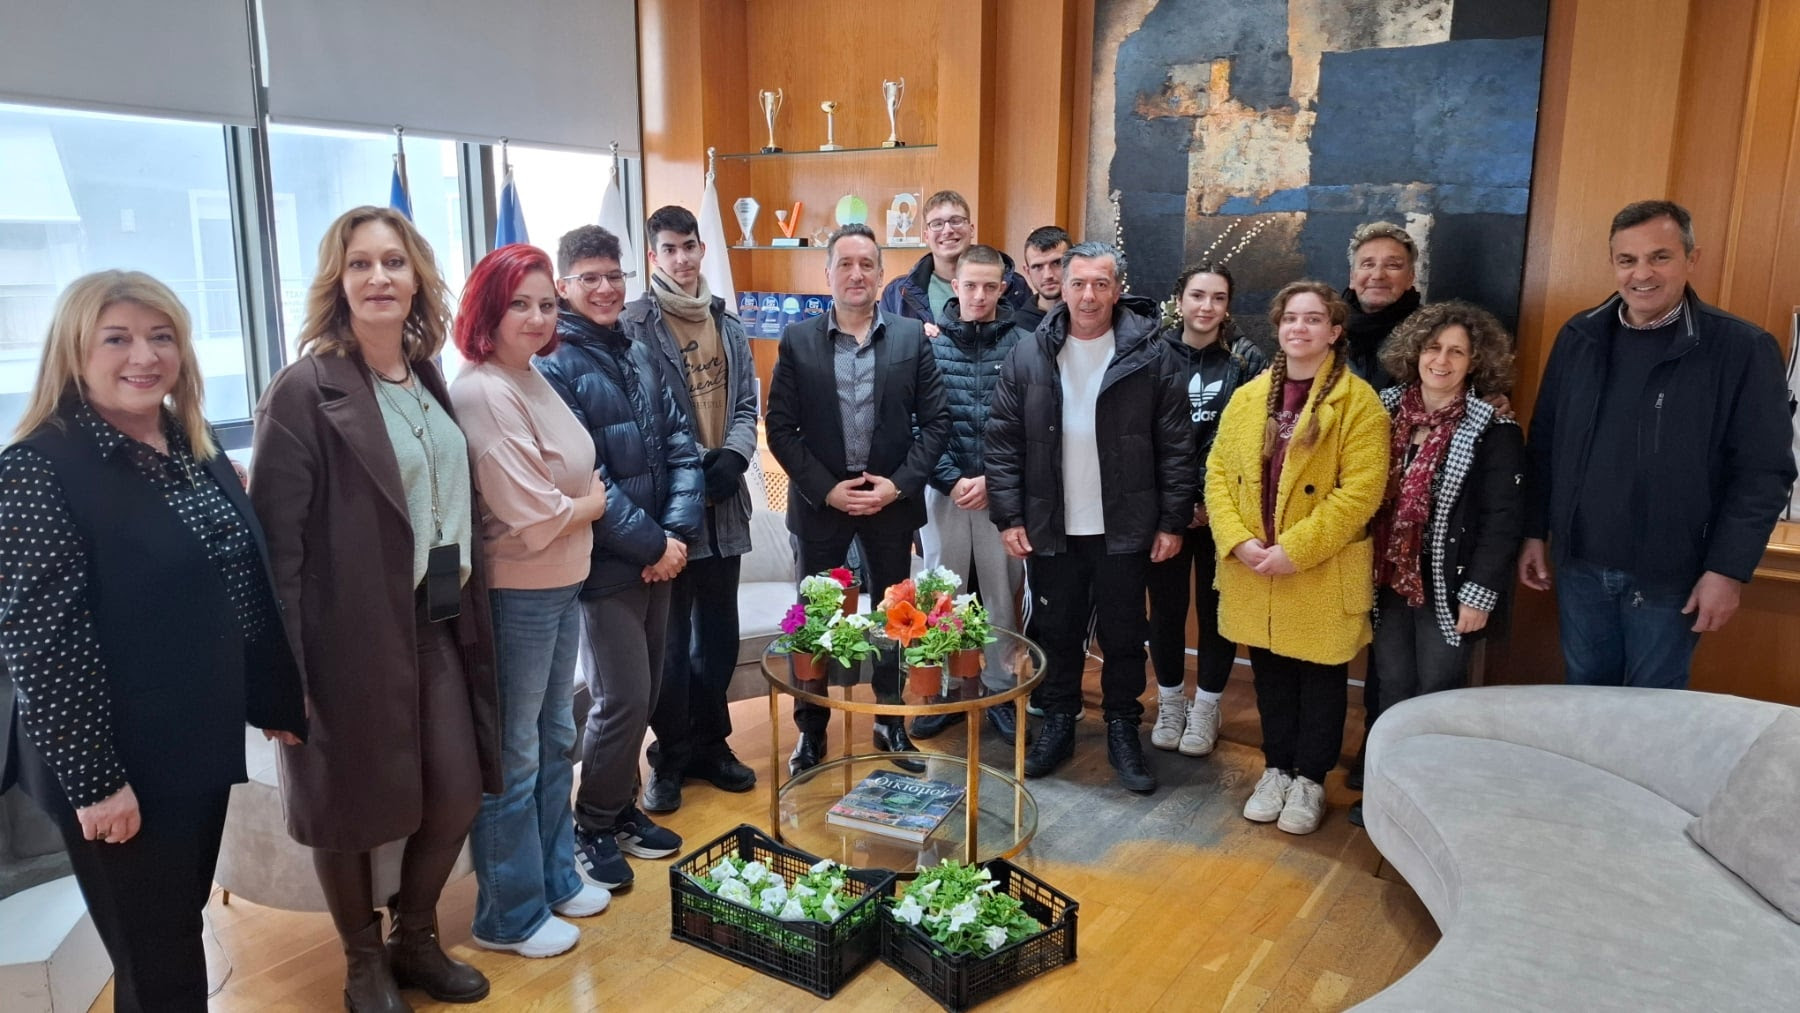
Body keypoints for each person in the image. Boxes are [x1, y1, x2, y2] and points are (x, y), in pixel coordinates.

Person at [0, 271, 306, 1012]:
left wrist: (273, 696)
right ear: (74, 351)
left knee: (175, 928)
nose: (144, 355)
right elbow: (42, 645)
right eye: (117, 338)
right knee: (157, 959)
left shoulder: (189, 441)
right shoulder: (37, 468)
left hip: (192, 744)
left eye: (160, 336)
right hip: (115, 758)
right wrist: (96, 783)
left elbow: (241, 582)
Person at [252, 206, 499, 1010]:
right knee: (348, 806)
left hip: (438, 623)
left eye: (393, 261)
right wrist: (282, 677)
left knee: (457, 791)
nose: (378, 277)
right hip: (346, 639)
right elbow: (276, 550)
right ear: (338, 281)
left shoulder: (426, 374)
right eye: (359, 263)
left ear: (417, 277)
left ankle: (414, 938)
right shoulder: (302, 390)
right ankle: (362, 960)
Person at [1519, 200, 1795, 688]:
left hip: (1673, 578)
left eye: (1660, 257)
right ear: (1613, 264)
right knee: (1584, 701)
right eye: (1627, 260)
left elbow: (1764, 474)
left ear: (1692, 258)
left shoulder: (1741, 348)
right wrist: (1534, 531)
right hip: (1580, 567)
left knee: (1655, 714)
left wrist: (1727, 570)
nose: (1642, 273)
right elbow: (1545, 444)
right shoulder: (1580, 336)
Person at [448, 244, 612, 959]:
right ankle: (507, 914)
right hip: (518, 593)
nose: (538, 317)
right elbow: (535, 513)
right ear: (488, 309)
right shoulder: (484, 390)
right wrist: (591, 505)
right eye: (520, 303)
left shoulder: (532, 374)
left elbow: (563, 485)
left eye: (547, 303)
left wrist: (578, 503)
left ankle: (553, 877)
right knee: (514, 754)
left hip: (562, 582)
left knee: (553, 738)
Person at [986, 241, 1194, 794]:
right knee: (1057, 632)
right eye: (1078, 283)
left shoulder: (1153, 356)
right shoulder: (1028, 354)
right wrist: (1009, 516)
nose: (1088, 295)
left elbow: (1176, 447)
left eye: (1101, 284)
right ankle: (1058, 721)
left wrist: (1172, 522)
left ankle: (1123, 727)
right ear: (1061, 287)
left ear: (1117, 290)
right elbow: (1003, 443)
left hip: (1125, 528)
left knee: (1124, 636)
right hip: (1051, 527)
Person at [536, 225, 701, 890]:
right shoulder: (552, 365)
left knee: (648, 690)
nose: (606, 288)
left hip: (661, 555)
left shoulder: (636, 350)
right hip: (603, 568)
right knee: (621, 699)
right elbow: (586, 478)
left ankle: (622, 808)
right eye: (590, 278)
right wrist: (654, 544)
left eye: (614, 275)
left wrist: (675, 536)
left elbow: (682, 443)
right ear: (564, 286)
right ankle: (593, 826)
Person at [766, 223, 951, 775]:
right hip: (821, 503)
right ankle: (811, 730)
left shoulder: (910, 337)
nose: (856, 274)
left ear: (880, 274)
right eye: (845, 264)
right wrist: (827, 489)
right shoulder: (798, 340)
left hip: (890, 502)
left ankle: (890, 722)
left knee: (896, 618)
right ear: (827, 274)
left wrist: (898, 485)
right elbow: (781, 429)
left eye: (866, 264)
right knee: (816, 621)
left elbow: (936, 423)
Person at [1206, 280, 1388, 835]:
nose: (1299, 328)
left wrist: (1297, 550)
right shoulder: (1248, 397)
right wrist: (1237, 539)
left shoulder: (1358, 402)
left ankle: (1310, 778)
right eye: (1290, 318)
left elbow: (1361, 492)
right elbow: (1217, 473)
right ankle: (1276, 768)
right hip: (1256, 565)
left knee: (1321, 679)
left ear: (1334, 331)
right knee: (1271, 676)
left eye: (1312, 319)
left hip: (1318, 568)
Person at [1349, 302, 1524, 827]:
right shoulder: (1382, 411)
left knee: (1436, 693)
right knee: (1391, 686)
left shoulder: (1493, 425)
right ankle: (1384, 792)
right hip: (1387, 579)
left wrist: (1480, 594)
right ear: (1415, 352)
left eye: (1456, 352)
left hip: (1448, 586)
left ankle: (1427, 801)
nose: (1441, 361)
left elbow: (1502, 519)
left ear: (1475, 362)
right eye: (1432, 348)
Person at [623, 205, 760, 814]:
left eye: (689, 246)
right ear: (654, 256)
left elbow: (747, 403)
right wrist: (695, 467)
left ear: (703, 249)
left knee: (719, 637)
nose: (681, 258)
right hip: (669, 513)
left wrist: (735, 455)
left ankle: (711, 743)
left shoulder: (726, 322)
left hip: (725, 505)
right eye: (669, 249)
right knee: (670, 646)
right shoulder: (633, 326)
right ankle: (670, 755)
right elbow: (639, 418)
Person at [908, 245, 1030, 745]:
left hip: (1003, 492)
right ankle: (947, 691)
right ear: (954, 286)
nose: (979, 295)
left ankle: (1000, 691)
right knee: (941, 593)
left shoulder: (1025, 346)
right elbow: (915, 420)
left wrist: (994, 481)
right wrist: (949, 478)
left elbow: (1031, 424)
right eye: (970, 285)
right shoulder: (927, 346)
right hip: (945, 490)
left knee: (1002, 594)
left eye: (989, 286)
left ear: (1003, 288)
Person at [1145, 262, 1267, 757]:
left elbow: (1248, 438)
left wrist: (1209, 500)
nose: (1207, 306)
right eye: (1197, 295)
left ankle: (1208, 706)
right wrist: (1178, 503)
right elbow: (1145, 434)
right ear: (1180, 299)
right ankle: (1171, 701)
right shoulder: (1152, 351)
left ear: (1228, 305)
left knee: (1218, 611)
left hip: (1224, 511)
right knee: (1167, 610)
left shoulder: (1247, 360)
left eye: (1218, 297)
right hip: (1166, 509)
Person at [879, 189, 1032, 324]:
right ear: (926, 236)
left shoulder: (1015, 286)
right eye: (937, 224)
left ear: (971, 230)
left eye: (956, 221)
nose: (947, 230)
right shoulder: (897, 293)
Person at [1341, 221, 1423, 390]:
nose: (1378, 275)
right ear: (1352, 277)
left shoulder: (1431, 334)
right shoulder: (1324, 331)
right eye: (1368, 264)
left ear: (1410, 278)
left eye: (1392, 265)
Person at [1015, 225, 1071, 332]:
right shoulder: (1015, 329)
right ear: (1027, 271)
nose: (1047, 275)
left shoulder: (1091, 316)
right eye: (1037, 266)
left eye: (1057, 263)